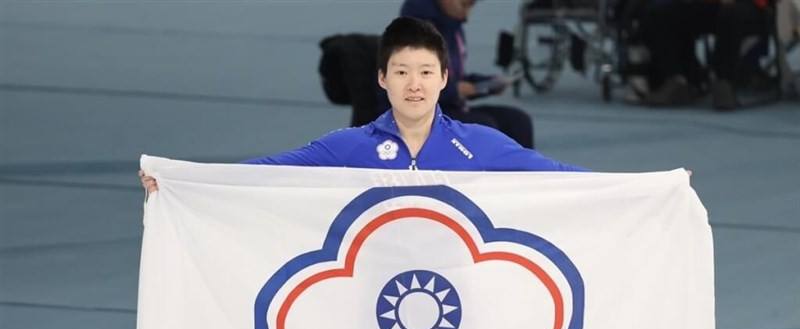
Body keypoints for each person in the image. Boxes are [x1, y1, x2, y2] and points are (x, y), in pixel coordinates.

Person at [140, 17, 582, 193]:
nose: (415, 85)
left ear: (445, 79)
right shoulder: (347, 148)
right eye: (403, 72)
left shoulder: (482, 146)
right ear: (382, 78)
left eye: (427, 73)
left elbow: (562, 179)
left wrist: (647, 195)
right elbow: (266, 172)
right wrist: (180, 181)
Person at [400, 0, 536, 148]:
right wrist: (455, 90)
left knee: (518, 121)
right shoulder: (412, 36)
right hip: (423, 116)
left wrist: (485, 84)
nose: (467, 16)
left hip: (452, 107)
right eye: (464, 5)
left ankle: (523, 169)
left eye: (470, 7)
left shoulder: (453, 29)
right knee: (484, 127)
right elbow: (408, 87)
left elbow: (454, 78)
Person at [637, 0, 772, 110]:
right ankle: (679, 79)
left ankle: (724, 81)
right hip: (710, 5)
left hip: (751, 7)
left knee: (731, 13)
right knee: (658, 13)